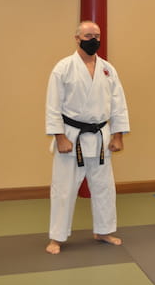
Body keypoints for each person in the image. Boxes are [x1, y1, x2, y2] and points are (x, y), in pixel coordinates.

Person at [45, 21, 130, 254]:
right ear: (77, 38)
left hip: (101, 136)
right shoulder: (63, 68)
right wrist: (60, 137)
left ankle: (103, 230)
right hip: (72, 137)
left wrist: (118, 135)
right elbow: (53, 107)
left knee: (104, 187)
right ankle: (57, 237)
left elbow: (118, 105)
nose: (93, 39)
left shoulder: (107, 69)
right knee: (64, 188)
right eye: (88, 35)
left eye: (97, 35)